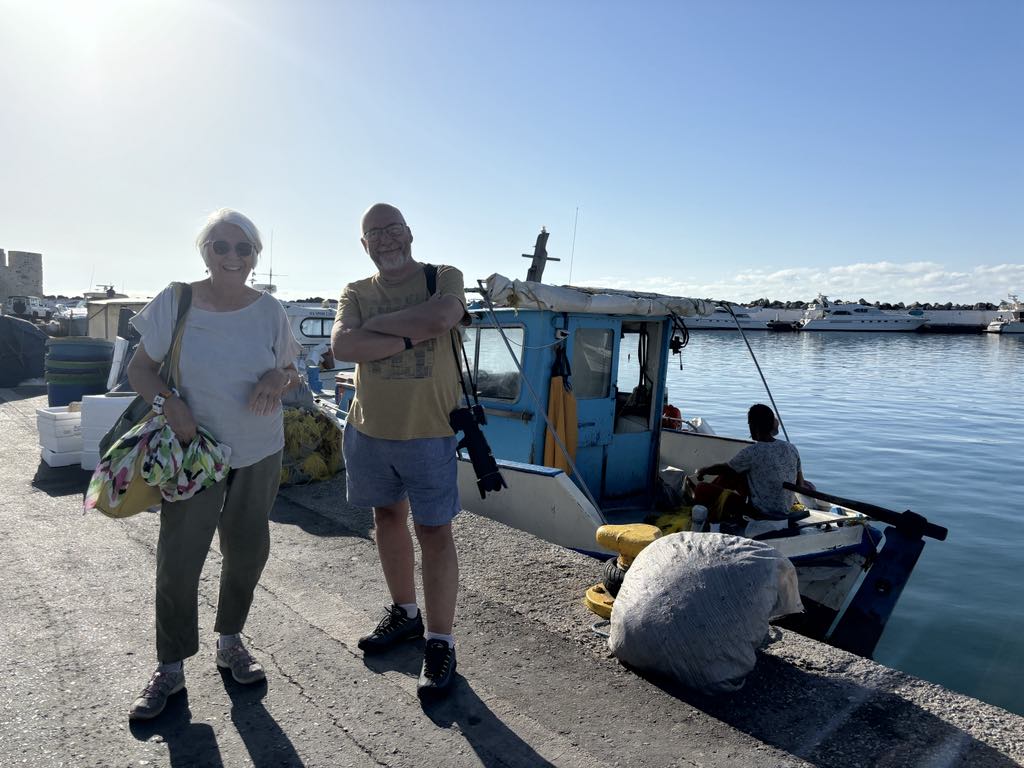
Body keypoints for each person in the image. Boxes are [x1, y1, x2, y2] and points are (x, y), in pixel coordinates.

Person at [125, 208, 302, 720]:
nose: (231, 256)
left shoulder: (269, 310)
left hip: (259, 449)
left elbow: (290, 369)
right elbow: (141, 370)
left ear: (254, 256)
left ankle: (230, 641)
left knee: (247, 552)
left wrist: (278, 379)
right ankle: (171, 666)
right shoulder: (176, 300)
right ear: (204, 250)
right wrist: (169, 405)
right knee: (179, 558)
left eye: (242, 248)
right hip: (192, 451)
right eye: (220, 246)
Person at [331, 203, 468, 699]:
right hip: (369, 431)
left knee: (434, 531)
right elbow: (343, 345)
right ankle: (406, 615)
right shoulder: (354, 291)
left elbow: (444, 315)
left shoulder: (441, 276)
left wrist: (382, 330)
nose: (385, 239)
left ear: (409, 233)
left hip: (430, 431)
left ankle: (440, 640)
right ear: (364, 245)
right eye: (374, 233)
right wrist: (414, 333)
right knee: (387, 519)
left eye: (392, 230)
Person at [691, 403, 812, 522]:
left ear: (754, 426)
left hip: (762, 512)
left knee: (701, 488)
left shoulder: (752, 452)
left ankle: (702, 511)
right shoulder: (791, 448)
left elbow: (724, 468)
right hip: (785, 509)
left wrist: (704, 471)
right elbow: (800, 483)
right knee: (734, 474)